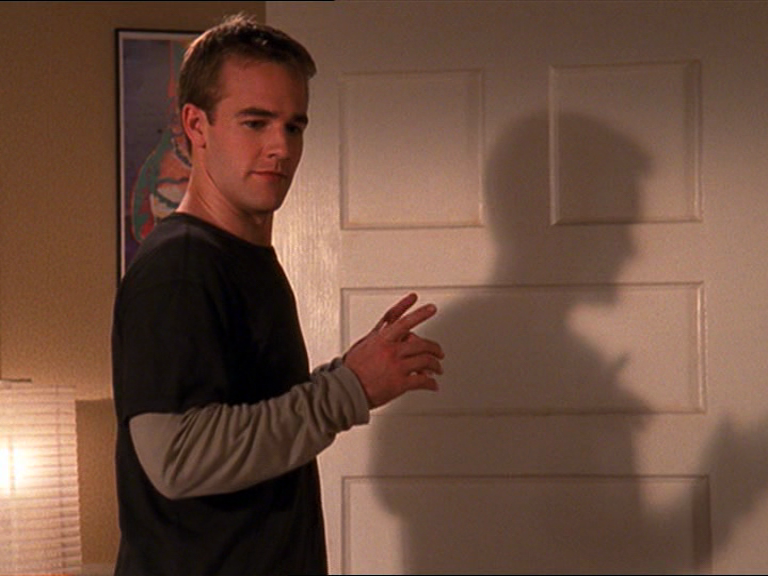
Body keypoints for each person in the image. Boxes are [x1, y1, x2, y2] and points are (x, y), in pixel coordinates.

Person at [110, 13, 444, 576]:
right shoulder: (180, 268)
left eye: (294, 126)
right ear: (196, 125)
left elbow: (246, 412)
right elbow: (176, 458)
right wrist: (349, 388)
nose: (280, 147)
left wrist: (352, 372)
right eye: (255, 122)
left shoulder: (241, 256)